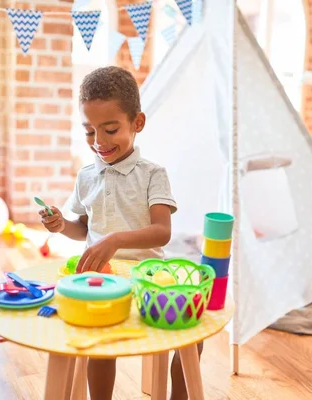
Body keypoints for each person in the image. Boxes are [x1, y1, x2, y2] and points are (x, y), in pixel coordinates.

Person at [38, 66, 202, 400]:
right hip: (101, 279)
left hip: (148, 278)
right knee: (97, 338)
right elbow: (81, 229)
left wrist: (115, 240)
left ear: (137, 123)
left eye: (110, 129)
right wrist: (60, 226)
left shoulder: (153, 174)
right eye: (89, 131)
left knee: (194, 333)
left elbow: (161, 232)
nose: (99, 142)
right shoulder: (86, 176)